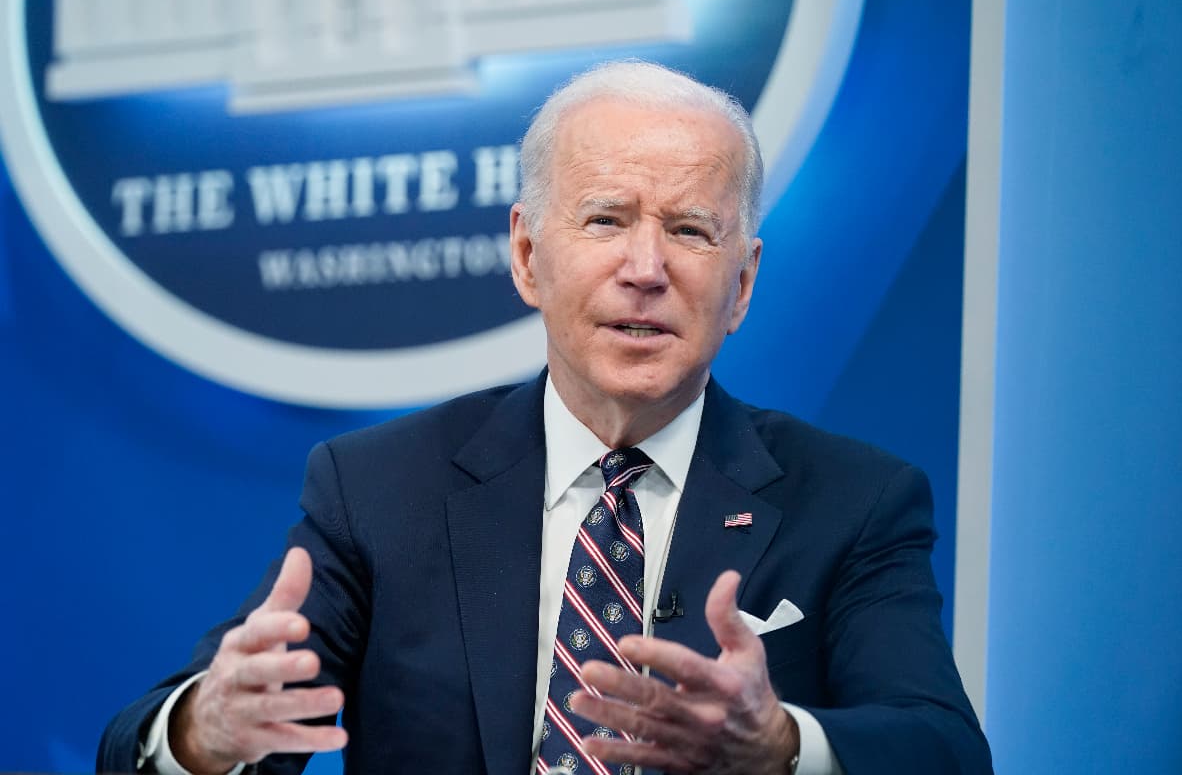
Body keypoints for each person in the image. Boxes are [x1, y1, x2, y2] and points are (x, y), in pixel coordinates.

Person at [97, 61, 991, 775]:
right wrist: (205, 733)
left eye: (688, 231)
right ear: (528, 256)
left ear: (743, 284)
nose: (646, 267)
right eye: (606, 220)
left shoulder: (856, 500)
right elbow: (160, 733)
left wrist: (781, 747)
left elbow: (944, 750)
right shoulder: (378, 489)